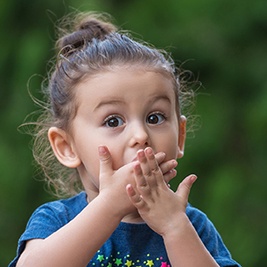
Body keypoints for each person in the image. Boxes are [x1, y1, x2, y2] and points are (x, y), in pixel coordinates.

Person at [9, 12, 241, 267]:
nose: (141, 136)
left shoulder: (191, 226)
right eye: (113, 121)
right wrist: (110, 206)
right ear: (67, 147)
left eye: (155, 117)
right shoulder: (57, 220)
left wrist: (175, 228)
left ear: (180, 137)